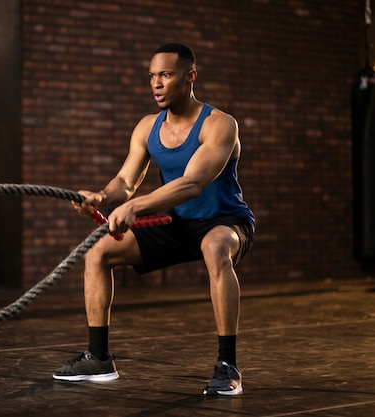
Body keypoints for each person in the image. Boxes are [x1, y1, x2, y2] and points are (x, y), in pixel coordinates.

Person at [51, 42, 255, 396]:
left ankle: (227, 366)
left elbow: (191, 183)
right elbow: (125, 183)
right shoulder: (147, 128)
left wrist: (136, 207)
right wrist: (99, 197)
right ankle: (99, 358)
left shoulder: (220, 125)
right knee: (97, 253)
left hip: (225, 220)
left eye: (165, 75)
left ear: (190, 76)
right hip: (176, 224)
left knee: (215, 247)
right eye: (151, 76)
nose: (156, 84)